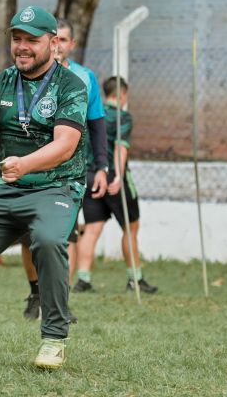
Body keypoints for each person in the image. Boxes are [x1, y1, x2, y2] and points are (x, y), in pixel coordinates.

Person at [0, 6, 88, 370]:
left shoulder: (71, 86)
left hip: (56, 186)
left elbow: (65, 145)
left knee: (49, 240)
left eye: (31, 40)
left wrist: (25, 163)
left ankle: (54, 339)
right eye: (17, 39)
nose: (22, 47)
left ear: (54, 43)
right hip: (6, 186)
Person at [20, 18, 109, 319]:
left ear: (68, 45)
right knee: (28, 237)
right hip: (29, 168)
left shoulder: (84, 78)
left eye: (65, 39)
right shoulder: (26, 76)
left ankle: (60, 300)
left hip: (69, 171)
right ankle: (36, 291)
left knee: (63, 235)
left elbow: (97, 124)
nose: (59, 44)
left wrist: (102, 165)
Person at [74, 76, 158, 293]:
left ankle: (83, 279)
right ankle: (135, 279)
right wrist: (118, 176)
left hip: (90, 175)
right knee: (130, 228)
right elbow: (121, 148)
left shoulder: (90, 115)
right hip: (112, 177)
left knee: (92, 228)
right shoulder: (123, 118)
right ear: (122, 95)